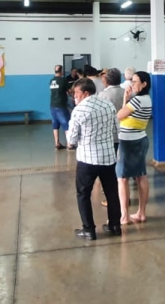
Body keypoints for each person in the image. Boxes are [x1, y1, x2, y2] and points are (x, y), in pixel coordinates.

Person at [67, 78, 122, 241]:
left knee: (83, 194)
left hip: (87, 159)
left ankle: (89, 230)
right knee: (112, 193)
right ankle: (115, 226)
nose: (74, 96)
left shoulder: (79, 110)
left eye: (76, 93)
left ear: (85, 93)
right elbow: (116, 130)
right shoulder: (108, 105)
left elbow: (72, 140)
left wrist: (73, 140)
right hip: (108, 157)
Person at [116, 71, 152, 225]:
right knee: (140, 175)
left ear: (144, 84)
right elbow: (125, 115)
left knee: (122, 178)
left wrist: (126, 100)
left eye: (136, 81)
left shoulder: (137, 100)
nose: (132, 84)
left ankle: (124, 216)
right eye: (132, 81)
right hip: (140, 139)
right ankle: (141, 213)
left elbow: (119, 115)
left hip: (128, 142)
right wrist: (126, 98)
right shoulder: (146, 99)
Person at [49, 65, 70, 150]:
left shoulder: (51, 81)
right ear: (62, 71)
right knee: (66, 124)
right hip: (61, 105)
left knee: (55, 124)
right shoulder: (63, 80)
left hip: (52, 105)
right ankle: (69, 144)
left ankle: (57, 143)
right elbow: (69, 91)